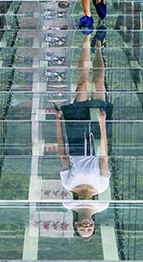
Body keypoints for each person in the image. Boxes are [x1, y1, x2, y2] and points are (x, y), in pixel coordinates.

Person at [54, 31, 111, 239]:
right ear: (93, 225)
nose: (86, 227)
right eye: (90, 229)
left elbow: (63, 155)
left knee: (82, 84)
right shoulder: (103, 196)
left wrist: (59, 121)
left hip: (77, 137)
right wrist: (103, 124)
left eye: (82, 229)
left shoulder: (68, 195)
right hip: (97, 137)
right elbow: (104, 157)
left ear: (76, 224)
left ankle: (86, 39)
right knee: (99, 84)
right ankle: (98, 45)